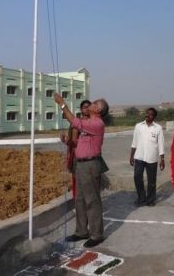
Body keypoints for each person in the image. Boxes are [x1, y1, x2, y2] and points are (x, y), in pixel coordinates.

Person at [54, 93, 109, 248]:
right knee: (79, 199)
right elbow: (80, 144)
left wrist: (62, 103)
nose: (90, 104)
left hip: (90, 165)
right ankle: (81, 231)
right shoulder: (89, 122)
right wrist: (69, 142)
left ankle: (97, 234)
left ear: (98, 110)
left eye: (94, 103)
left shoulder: (97, 123)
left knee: (92, 200)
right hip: (81, 165)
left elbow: (73, 120)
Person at [130, 108, 165, 207]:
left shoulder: (158, 128)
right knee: (137, 177)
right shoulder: (138, 126)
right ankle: (141, 198)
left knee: (151, 180)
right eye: (147, 114)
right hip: (139, 157)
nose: (148, 116)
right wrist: (131, 156)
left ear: (154, 117)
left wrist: (162, 159)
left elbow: (161, 144)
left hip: (152, 158)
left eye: (151, 115)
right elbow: (134, 142)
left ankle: (150, 200)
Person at [61, 100, 91, 198]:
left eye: (88, 106)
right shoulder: (76, 123)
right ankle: (78, 203)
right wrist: (66, 142)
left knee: (90, 181)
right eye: (84, 107)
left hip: (90, 156)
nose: (86, 109)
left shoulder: (94, 122)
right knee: (77, 180)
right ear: (81, 109)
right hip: (77, 156)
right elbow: (73, 142)